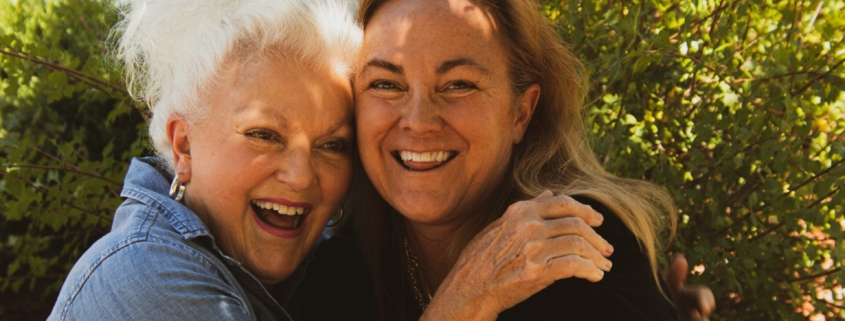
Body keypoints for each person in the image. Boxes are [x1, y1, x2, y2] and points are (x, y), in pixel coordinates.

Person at [289, 0, 709, 320]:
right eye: (385, 83)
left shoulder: (574, 248)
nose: (417, 122)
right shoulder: (338, 266)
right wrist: (460, 305)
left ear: (520, 113)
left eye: (457, 85)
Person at [47, 0, 362, 319]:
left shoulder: (321, 261)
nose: (301, 177)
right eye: (263, 135)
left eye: (333, 145)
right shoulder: (150, 278)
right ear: (184, 147)